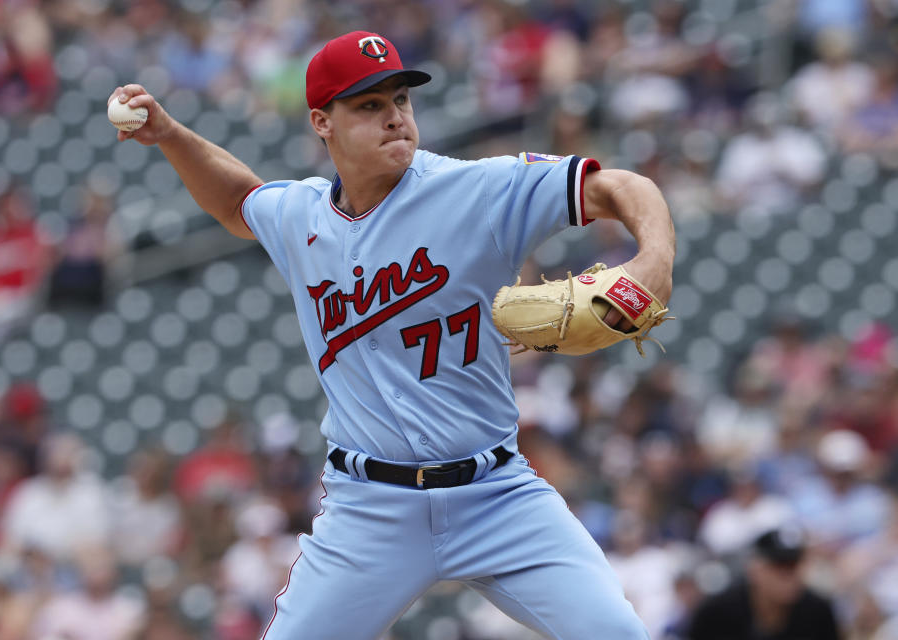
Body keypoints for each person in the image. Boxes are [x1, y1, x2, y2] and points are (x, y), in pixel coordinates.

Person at [108, 29, 675, 639]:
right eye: (370, 106)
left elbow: (623, 187)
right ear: (322, 122)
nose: (395, 118)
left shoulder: (477, 189)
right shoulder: (300, 215)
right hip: (369, 509)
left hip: (496, 495)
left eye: (400, 100)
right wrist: (169, 135)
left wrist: (653, 261)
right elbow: (240, 202)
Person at [688, 526, 840, 640]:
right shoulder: (716, 612)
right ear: (755, 569)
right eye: (780, 566)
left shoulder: (818, 612)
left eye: (795, 565)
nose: (790, 575)